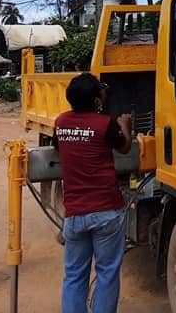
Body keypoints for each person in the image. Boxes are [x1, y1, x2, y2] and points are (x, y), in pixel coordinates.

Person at [55, 74, 132, 313]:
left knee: (74, 275)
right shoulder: (105, 124)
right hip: (107, 210)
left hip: (75, 214)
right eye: (102, 92)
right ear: (97, 100)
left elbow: (59, 150)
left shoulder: (60, 122)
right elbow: (125, 147)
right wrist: (125, 126)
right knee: (107, 273)